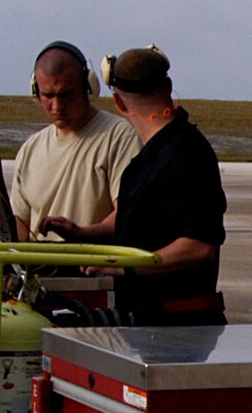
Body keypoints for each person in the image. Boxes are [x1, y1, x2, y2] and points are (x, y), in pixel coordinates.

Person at [41, 46, 228, 326]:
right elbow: (135, 222)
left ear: (119, 102)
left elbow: (198, 247)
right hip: (149, 325)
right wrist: (83, 233)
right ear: (168, 86)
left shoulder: (184, 154)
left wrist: (123, 268)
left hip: (181, 327)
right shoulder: (151, 158)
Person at [6, 41, 140, 241]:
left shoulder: (120, 138)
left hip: (93, 270)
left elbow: (129, 216)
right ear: (36, 92)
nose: (57, 106)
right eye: (48, 96)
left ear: (88, 86)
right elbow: (20, 227)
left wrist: (80, 234)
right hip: (39, 270)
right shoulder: (30, 150)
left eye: (66, 94)